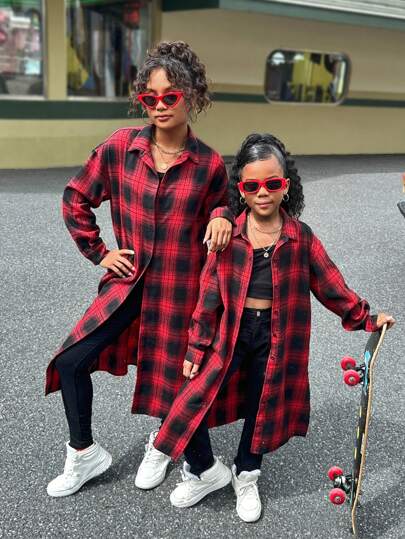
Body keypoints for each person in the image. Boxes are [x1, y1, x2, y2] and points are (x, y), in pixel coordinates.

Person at [151, 133, 395, 522]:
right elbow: (209, 296)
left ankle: (246, 474)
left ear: (286, 186)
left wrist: (366, 317)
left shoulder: (301, 237)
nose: (262, 192)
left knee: (262, 403)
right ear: (241, 191)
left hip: (278, 335)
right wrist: (196, 346)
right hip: (232, 333)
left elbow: (331, 285)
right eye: (252, 186)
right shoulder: (228, 236)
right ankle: (203, 470)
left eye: (272, 183)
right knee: (189, 399)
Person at [45, 41, 234, 497]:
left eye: (171, 96)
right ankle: (84, 454)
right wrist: (100, 253)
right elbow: (75, 198)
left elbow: (225, 204)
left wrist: (222, 215)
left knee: (176, 382)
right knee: (70, 362)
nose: (160, 105)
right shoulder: (120, 147)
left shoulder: (208, 164)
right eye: (150, 97)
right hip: (128, 283)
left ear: (191, 95)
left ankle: (195, 463)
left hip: (178, 291)